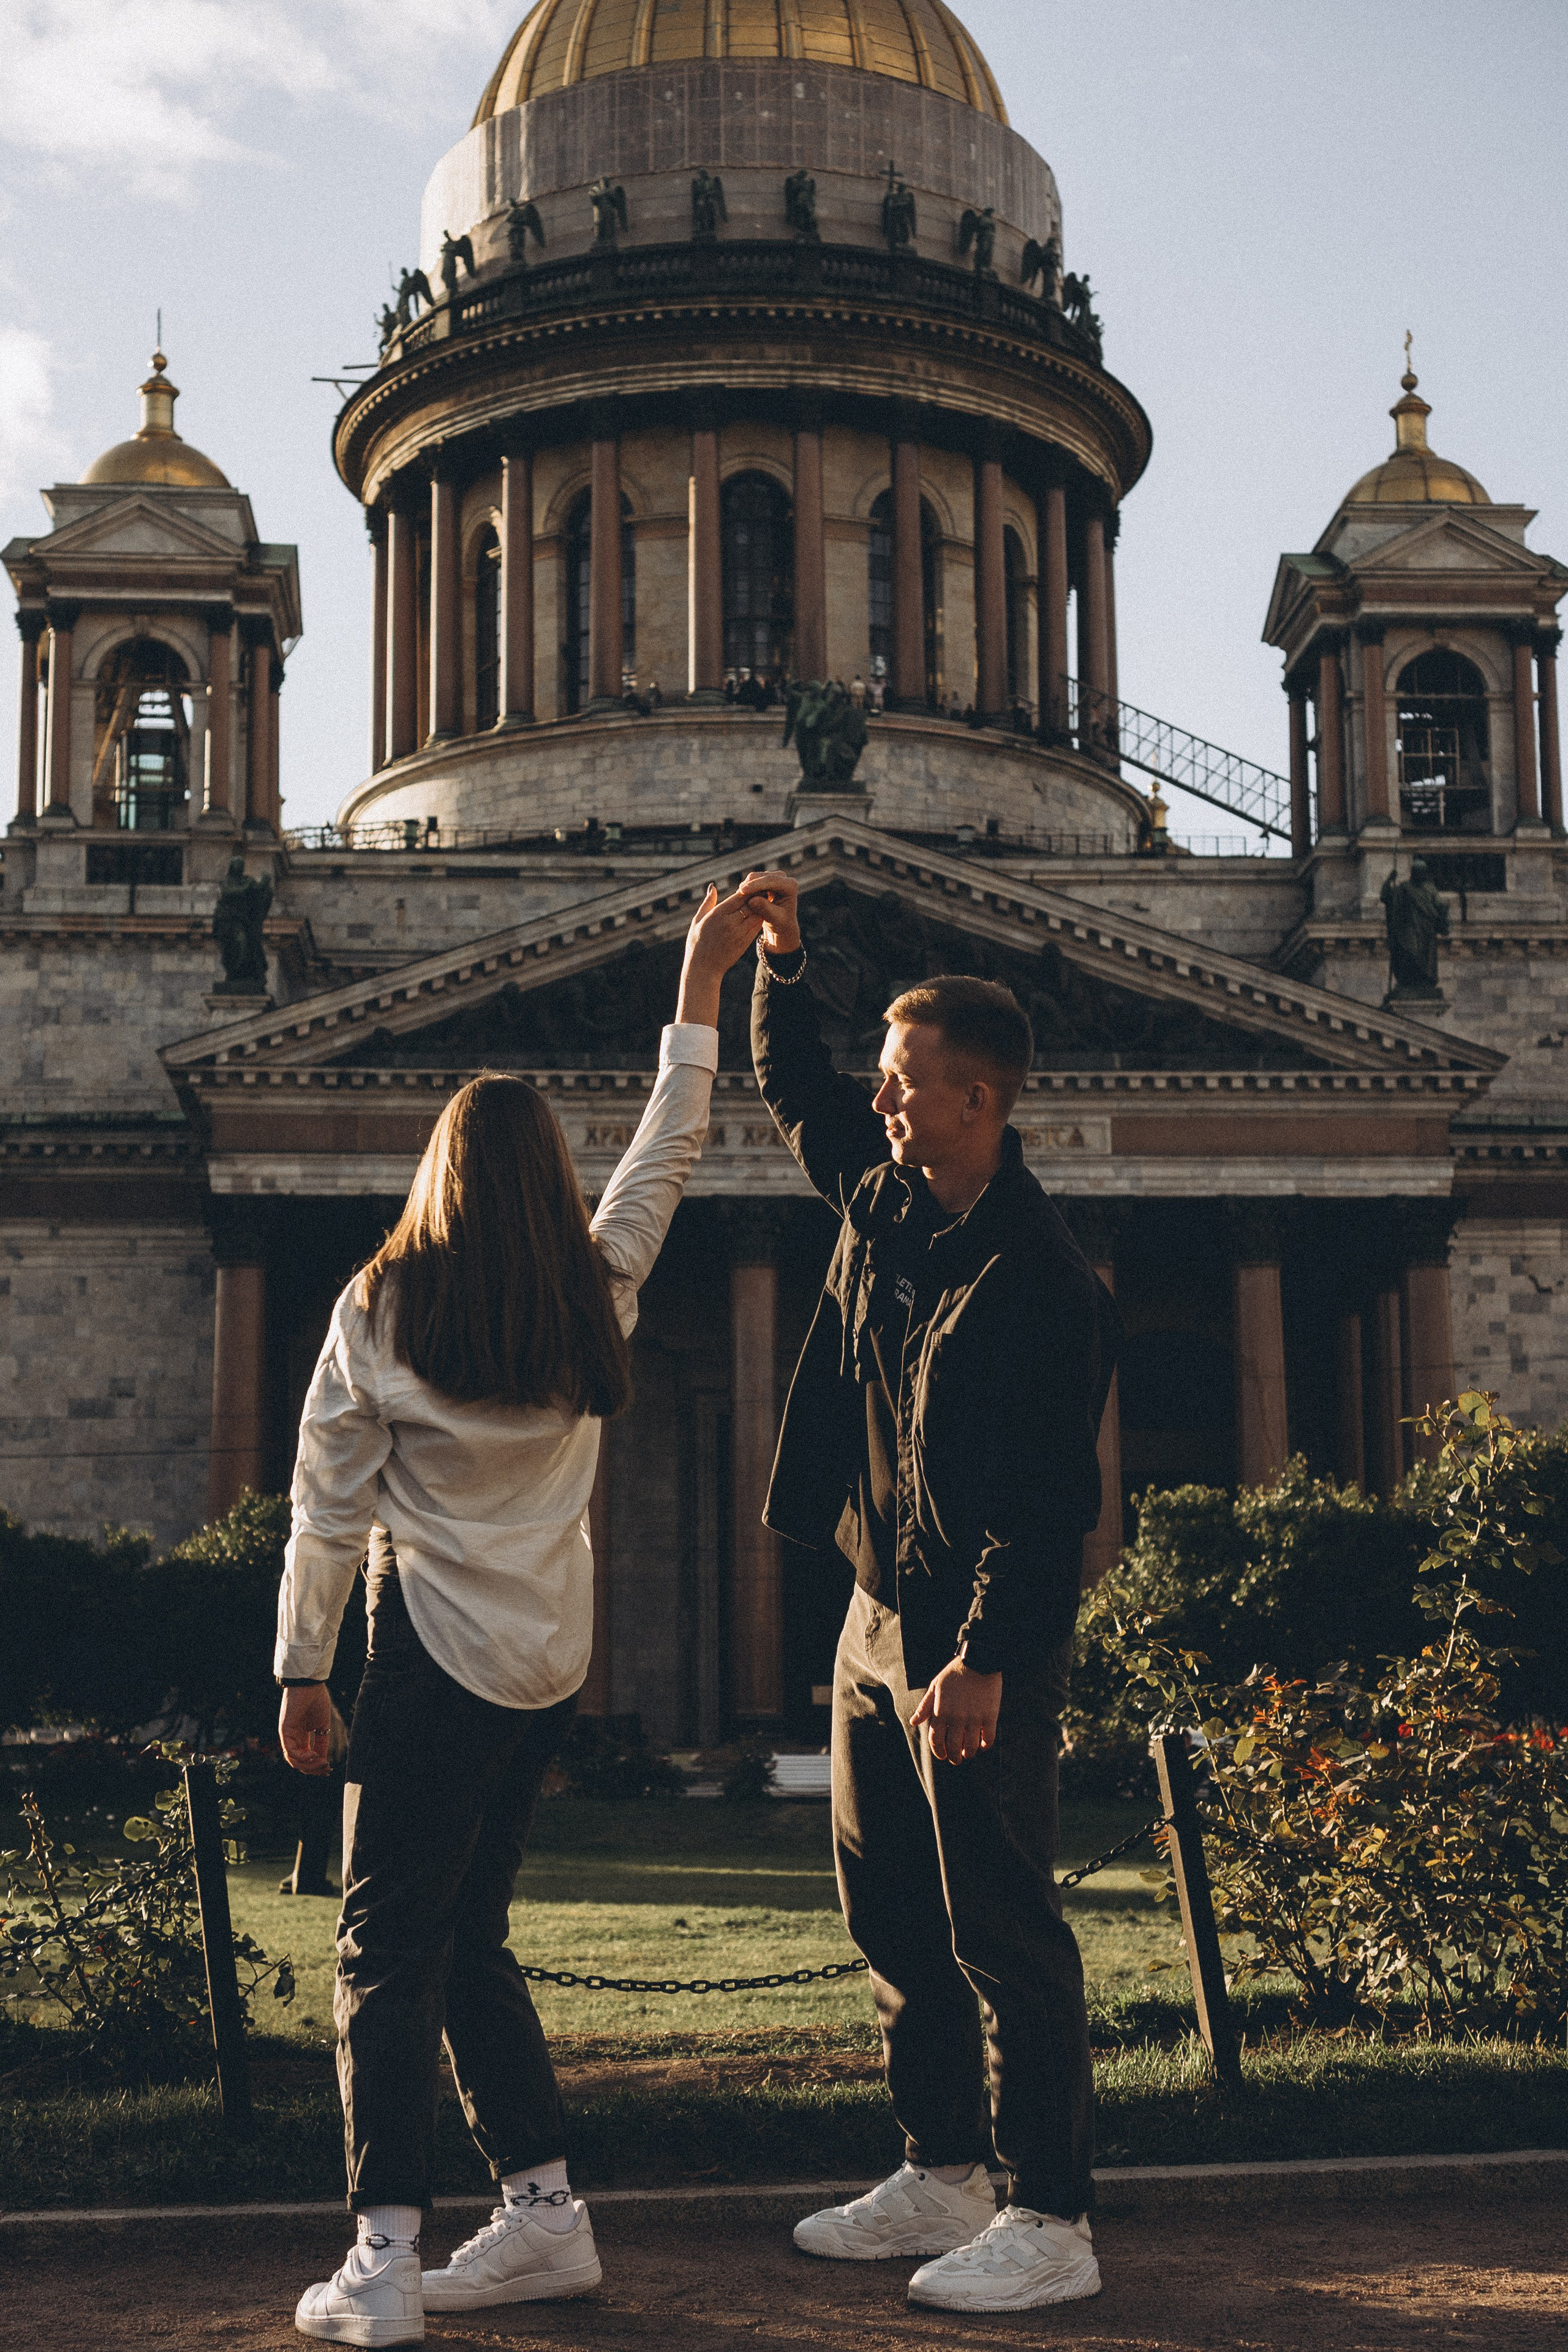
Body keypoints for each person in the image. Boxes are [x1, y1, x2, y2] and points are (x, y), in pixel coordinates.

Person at [277, 883, 764, 2346]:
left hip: (426, 1660)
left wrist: (304, 1671)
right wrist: (698, 971)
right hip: (550, 1662)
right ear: (551, 1178)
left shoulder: (379, 1305)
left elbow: (324, 1507)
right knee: (470, 1935)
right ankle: (545, 2215)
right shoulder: (594, 1292)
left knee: (379, 1948)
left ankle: (380, 2255)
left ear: (437, 1172)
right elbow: (668, 1142)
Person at [739, 868, 1119, 2314]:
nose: (881, 1104)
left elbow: (1045, 1507)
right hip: (876, 1614)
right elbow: (796, 1097)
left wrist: (979, 1661)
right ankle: (942, 2170)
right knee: (889, 1908)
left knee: (1000, 1926)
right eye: (885, 1083)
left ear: (980, 1100)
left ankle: (1051, 2216)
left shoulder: (1042, 1281)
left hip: (970, 1639)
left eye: (905, 1085)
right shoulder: (885, 1199)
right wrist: (781, 963)